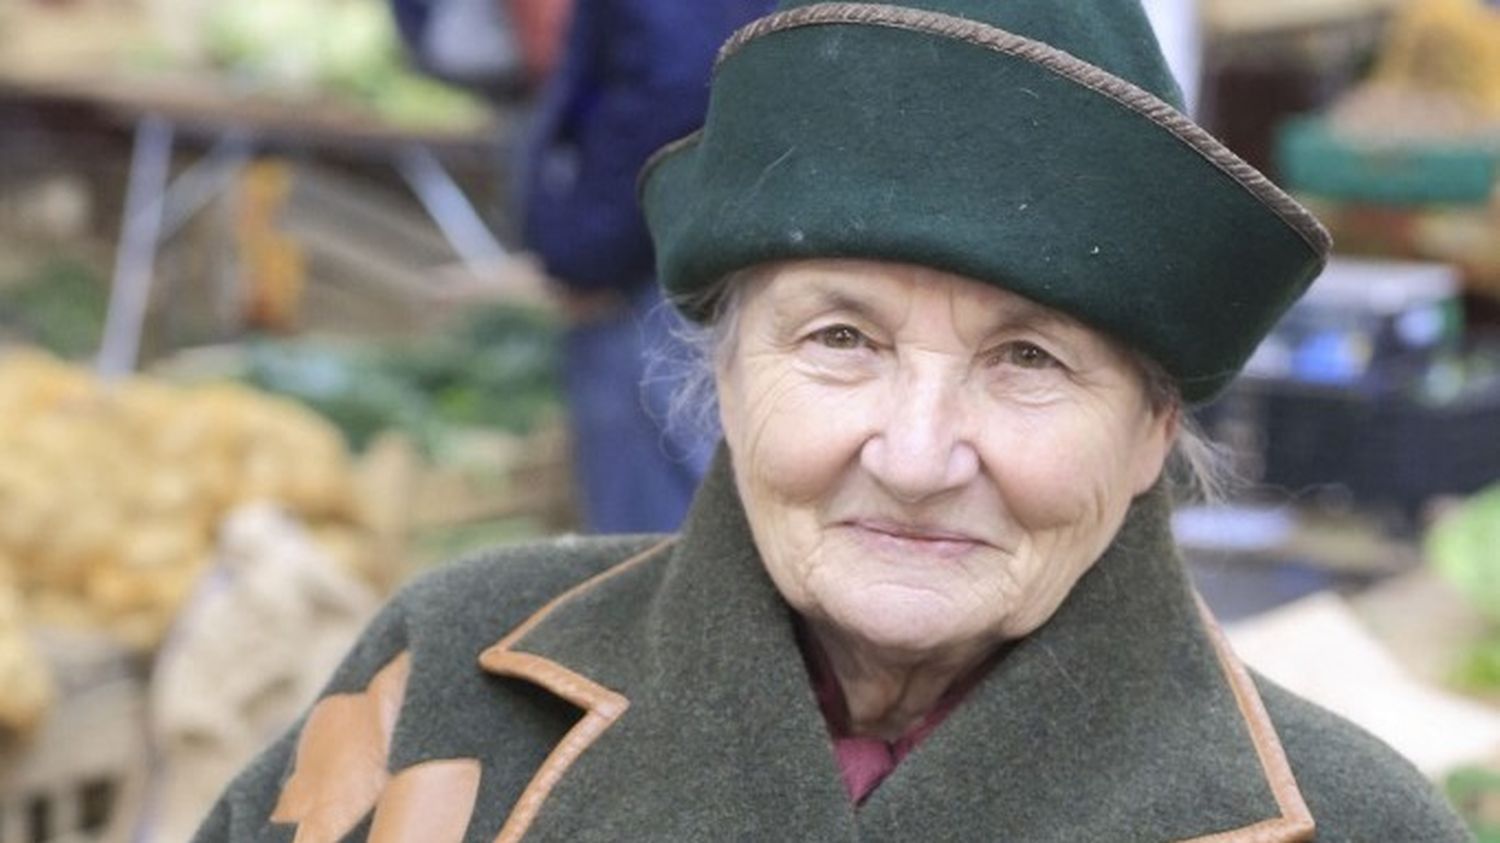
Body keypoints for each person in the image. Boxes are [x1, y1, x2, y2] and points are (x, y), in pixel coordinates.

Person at [195, 1, 1472, 840]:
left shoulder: (1353, 825)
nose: (915, 458)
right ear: (726, 375)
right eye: (841, 341)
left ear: (1151, 431)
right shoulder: (451, 676)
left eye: (1027, 359)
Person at [520, 0, 773, 533]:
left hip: (657, 263)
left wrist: (589, 249)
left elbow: (678, 78)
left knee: (660, 508)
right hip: (681, 240)